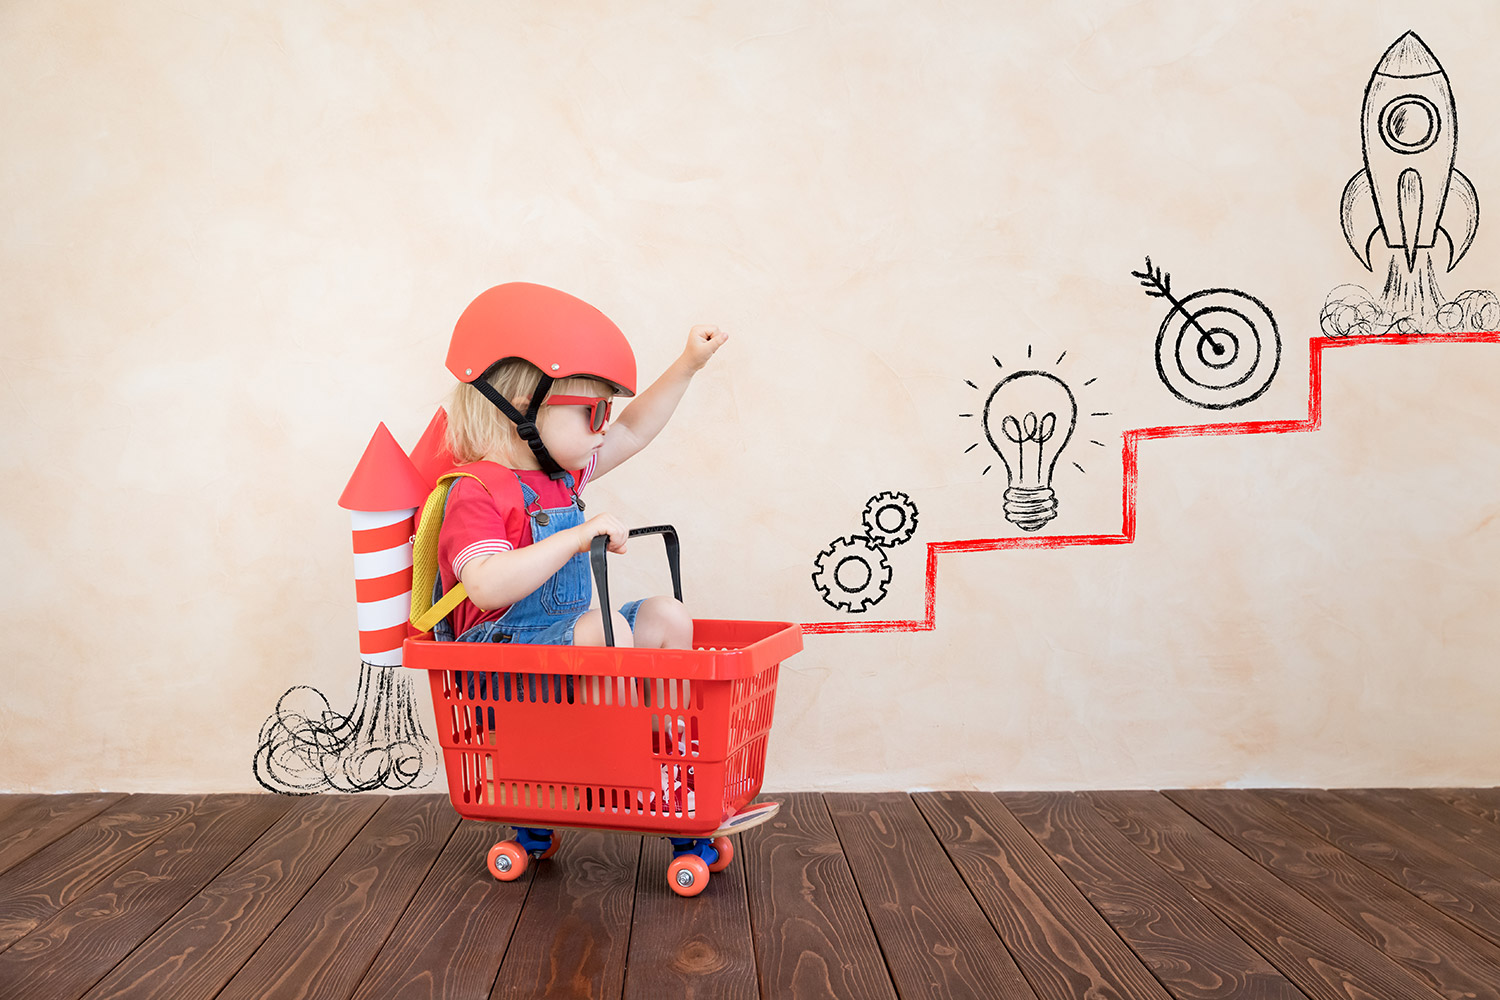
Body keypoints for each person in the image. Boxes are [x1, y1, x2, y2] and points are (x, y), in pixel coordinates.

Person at [435, 281, 727, 649]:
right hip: (499, 668)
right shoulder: (477, 491)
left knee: (667, 615)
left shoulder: (561, 478)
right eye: (595, 411)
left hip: (561, 649)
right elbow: (485, 586)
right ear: (525, 412)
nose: (605, 426)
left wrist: (687, 366)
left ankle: (660, 711)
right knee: (605, 631)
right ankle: (621, 709)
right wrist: (573, 538)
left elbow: (633, 430)